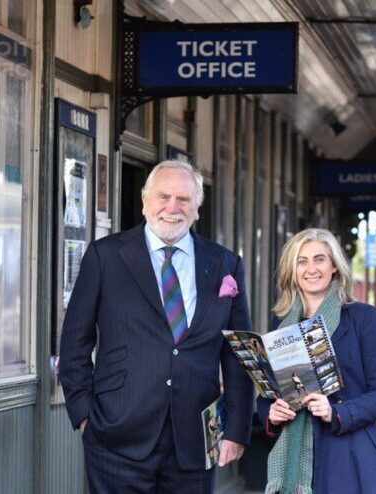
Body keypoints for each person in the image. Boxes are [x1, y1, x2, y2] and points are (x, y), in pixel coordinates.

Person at [59, 160, 254, 493]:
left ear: (197, 209)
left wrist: (236, 430)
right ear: (145, 201)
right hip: (117, 435)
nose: (172, 208)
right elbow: (74, 343)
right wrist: (84, 418)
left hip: (194, 440)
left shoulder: (225, 264)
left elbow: (238, 355)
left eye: (183, 200)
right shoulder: (105, 257)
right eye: (163, 197)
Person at [258, 228, 376, 493]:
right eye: (302, 261)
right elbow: (269, 394)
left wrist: (336, 412)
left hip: (350, 457)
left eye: (319, 259)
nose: (311, 268)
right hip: (293, 460)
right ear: (293, 270)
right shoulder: (282, 325)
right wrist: (271, 414)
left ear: (334, 265)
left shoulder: (363, 318)